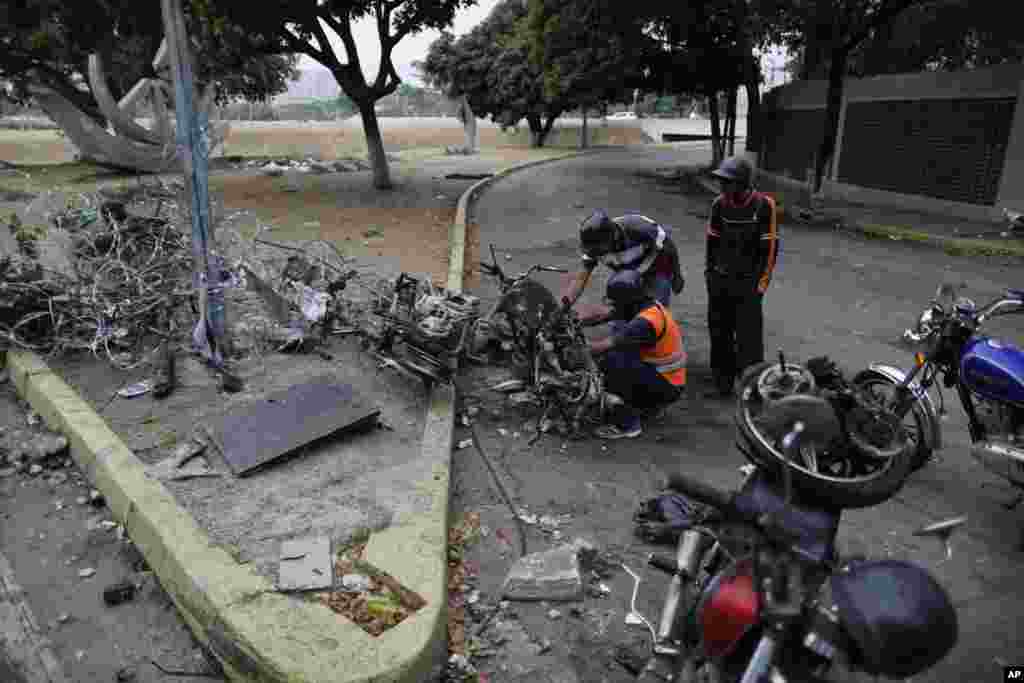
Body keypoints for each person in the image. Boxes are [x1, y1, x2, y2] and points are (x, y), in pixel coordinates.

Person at [704, 156, 779, 399]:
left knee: (749, 339)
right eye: (721, 181)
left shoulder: (764, 206)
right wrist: (710, 275)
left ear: (743, 183)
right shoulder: (719, 205)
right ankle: (722, 384)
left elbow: (769, 250)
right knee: (719, 334)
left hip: (748, 283)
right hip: (720, 282)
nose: (723, 186)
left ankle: (752, 388)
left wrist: (761, 284)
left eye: (728, 181)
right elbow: (712, 243)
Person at [588, 269, 686, 439]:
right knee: (621, 359)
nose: (614, 307)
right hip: (667, 379)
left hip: (667, 386)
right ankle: (648, 407)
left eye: (616, 303)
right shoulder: (644, 305)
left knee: (611, 362)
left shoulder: (645, 323)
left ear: (627, 302)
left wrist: (578, 346)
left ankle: (627, 425)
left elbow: (602, 346)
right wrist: (573, 319)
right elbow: (604, 315)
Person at [564, 209, 685, 310]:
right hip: (627, 273)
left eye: (598, 248)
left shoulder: (640, 229)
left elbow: (668, 246)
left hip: (657, 268)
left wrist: (677, 274)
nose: (595, 253)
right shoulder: (593, 246)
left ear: (612, 237)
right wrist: (566, 305)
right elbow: (581, 278)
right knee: (622, 314)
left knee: (656, 310)